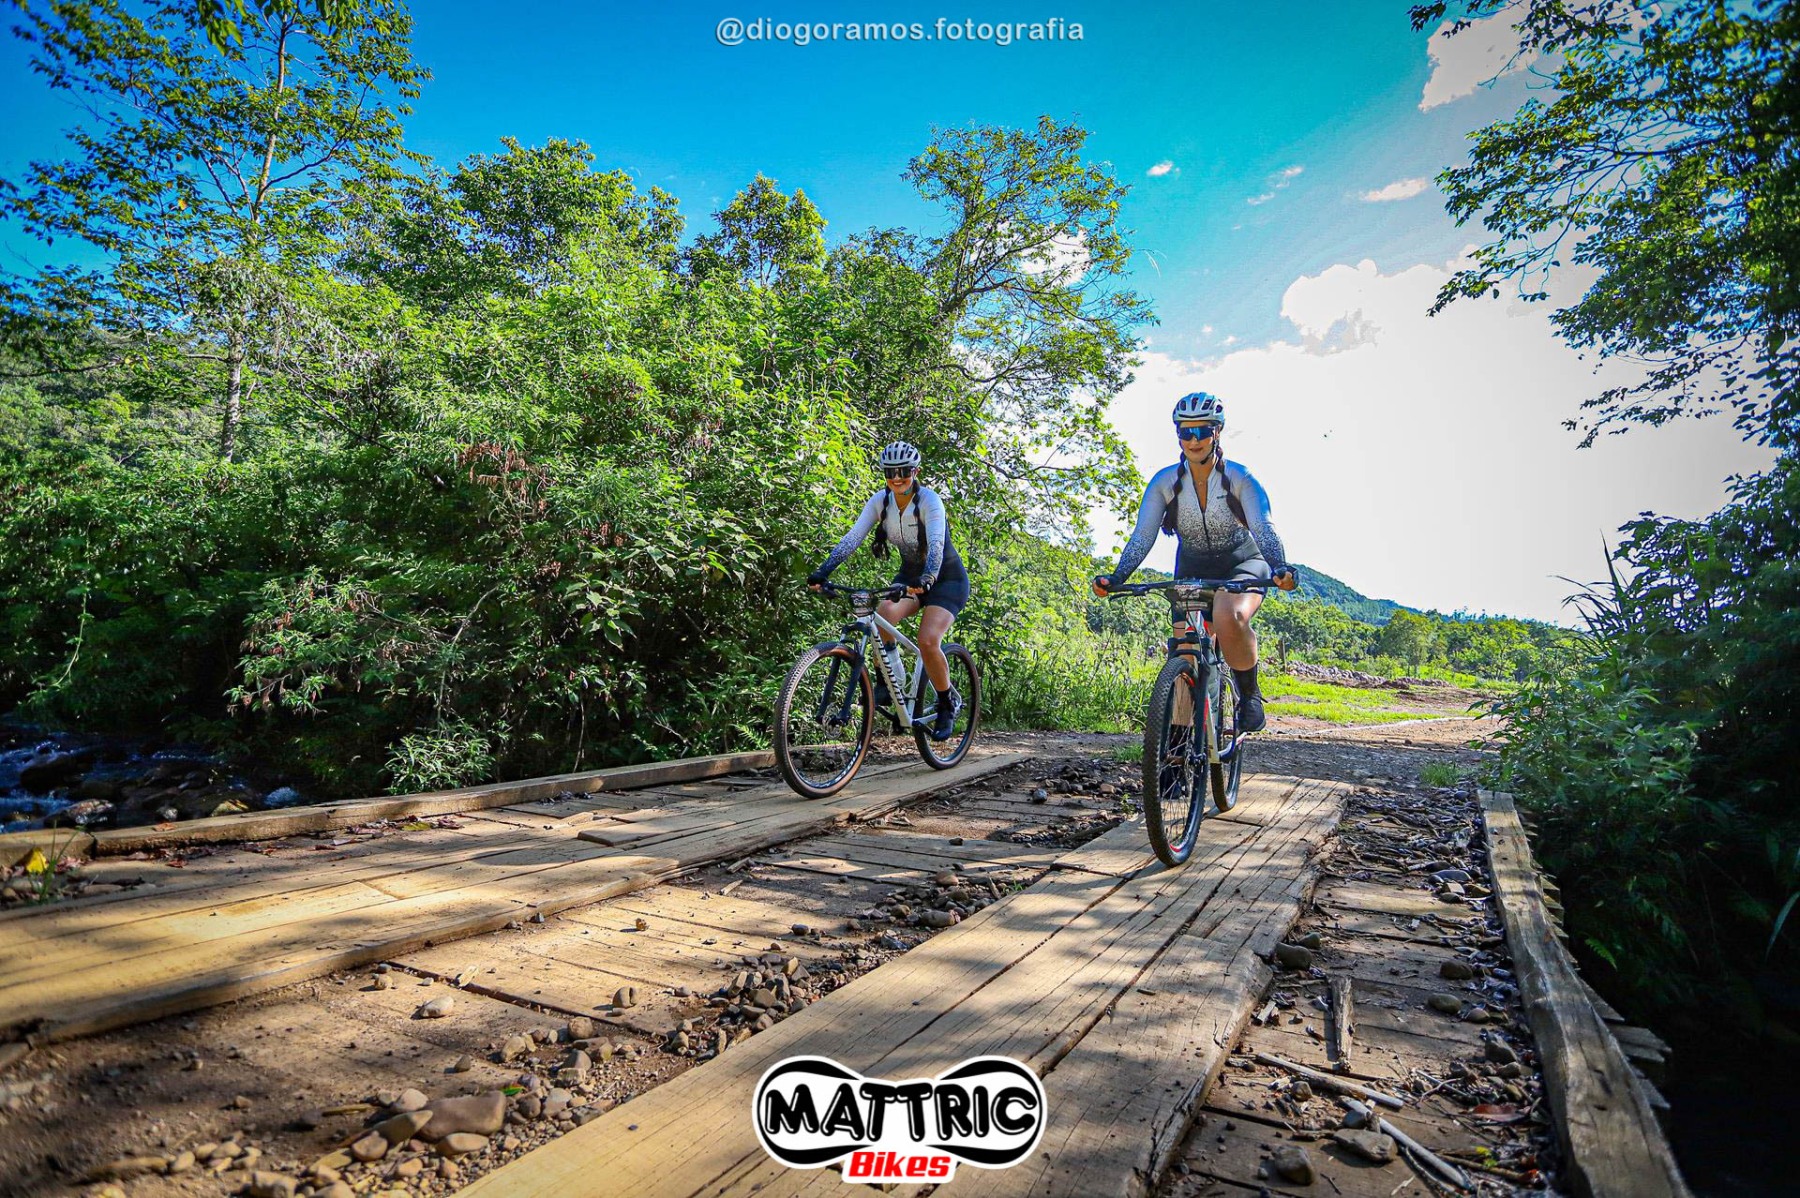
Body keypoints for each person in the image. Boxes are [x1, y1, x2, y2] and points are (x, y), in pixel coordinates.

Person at [1092, 392, 1298, 733]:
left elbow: (1264, 527)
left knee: (1228, 615)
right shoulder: (1165, 482)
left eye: (1202, 431)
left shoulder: (1240, 478)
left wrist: (1280, 566)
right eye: (1185, 432)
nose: (1193, 440)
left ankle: (1249, 696)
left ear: (1217, 432)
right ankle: (1175, 752)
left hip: (1243, 563)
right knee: (1185, 653)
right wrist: (1118, 576)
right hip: (1192, 567)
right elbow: (1143, 535)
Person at [809, 441, 970, 739]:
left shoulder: (930, 501)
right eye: (890, 472)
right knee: (882, 615)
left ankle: (947, 701)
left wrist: (929, 577)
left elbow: (936, 545)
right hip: (910, 577)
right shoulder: (880, 502)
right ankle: (890, 682)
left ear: (915, 472)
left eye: (904, 471)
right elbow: (852, 538)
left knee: (927, 640)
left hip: (946, 580)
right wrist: (823, 571)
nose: (897, 478)